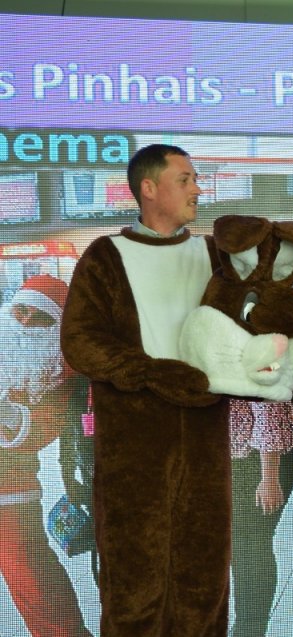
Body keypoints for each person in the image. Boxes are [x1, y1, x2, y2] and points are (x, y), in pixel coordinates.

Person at [61, 144, 231, 636]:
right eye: (186, 179)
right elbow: (80, 341)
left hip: (204, 443)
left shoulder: (214, 255)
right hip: (132, 449)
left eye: (197, 178)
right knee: (134, 579)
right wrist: (150, 372)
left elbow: (243, 331)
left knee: (204, 577)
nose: (198, 188)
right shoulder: (105, 257)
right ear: (149, 188)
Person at [0, 274, 93, 637]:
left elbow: (39, 432)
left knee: (28, 572)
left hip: (9, 489)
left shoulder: (61, 374)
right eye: (19, 311)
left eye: (38, 317)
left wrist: (11, 418)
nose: (23, 322)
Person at [229, 399, 293, 637]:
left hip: (266, 454)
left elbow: (268, 409)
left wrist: (269, 478)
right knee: (235, 544)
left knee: (251, 545)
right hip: (233, 452)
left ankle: (249, 631)